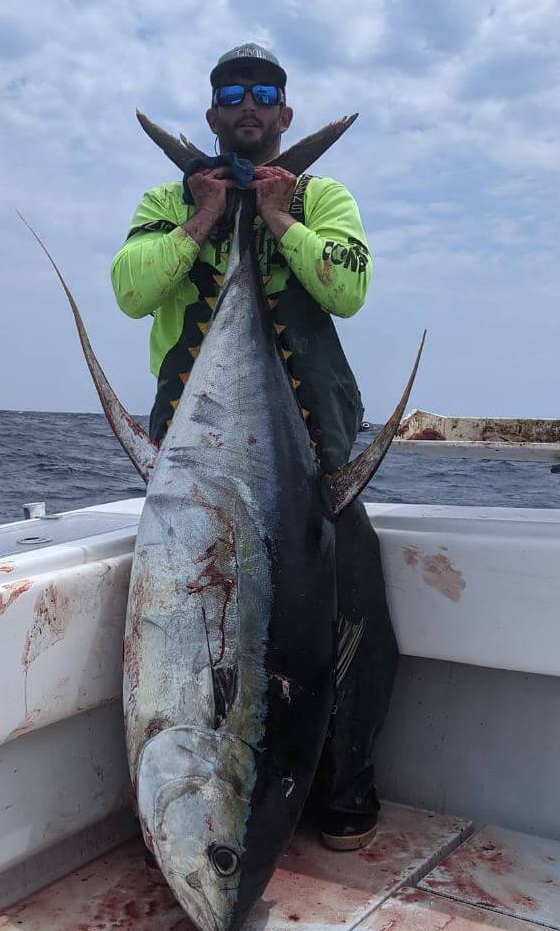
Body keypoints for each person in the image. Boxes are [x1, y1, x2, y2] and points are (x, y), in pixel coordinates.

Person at [110, 43, 399, 851]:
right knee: (195, 629)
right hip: (196, 466)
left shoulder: (323, 196)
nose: (247, 106)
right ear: (211, 117)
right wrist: (204, 215)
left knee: (360, 625)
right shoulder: (167, 199)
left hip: (311, 465)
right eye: (231, 94)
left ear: (284, 115)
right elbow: (132, 291)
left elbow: (347, 288)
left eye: (262, 94)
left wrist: (278, 217)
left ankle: (342, 786)